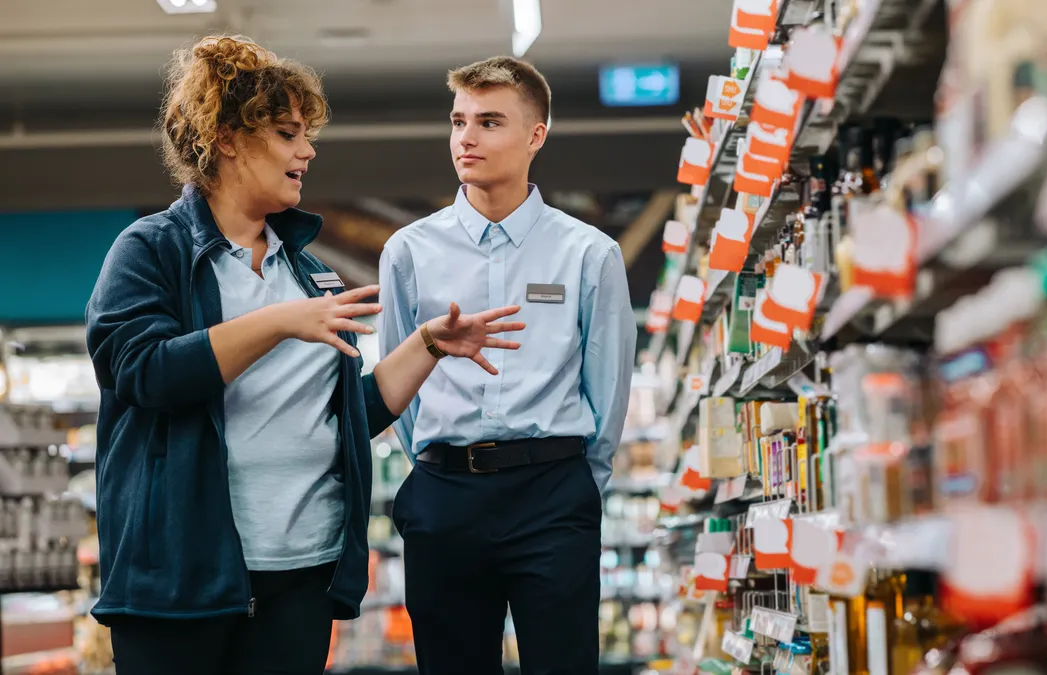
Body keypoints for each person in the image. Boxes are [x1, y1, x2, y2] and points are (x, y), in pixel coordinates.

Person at [84, 35, 525, 675]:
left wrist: (429, 346)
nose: (308, 150)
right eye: (289, 134)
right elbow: (141, 372)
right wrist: (279, 322)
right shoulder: (152, 250)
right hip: (181, 577)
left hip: (300, 572)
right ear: (228, 137)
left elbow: (345, 416)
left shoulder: (309, 274)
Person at [379, 56, 638, 675]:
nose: (465, 138)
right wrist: (439, 466)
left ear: (535, 136)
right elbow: (398, 387)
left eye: (489, 121)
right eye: (458, 120)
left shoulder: (589, 254)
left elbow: (608, 391)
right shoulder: (409, 252)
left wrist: (575, 487)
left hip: (552, 494)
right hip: (444, 496)